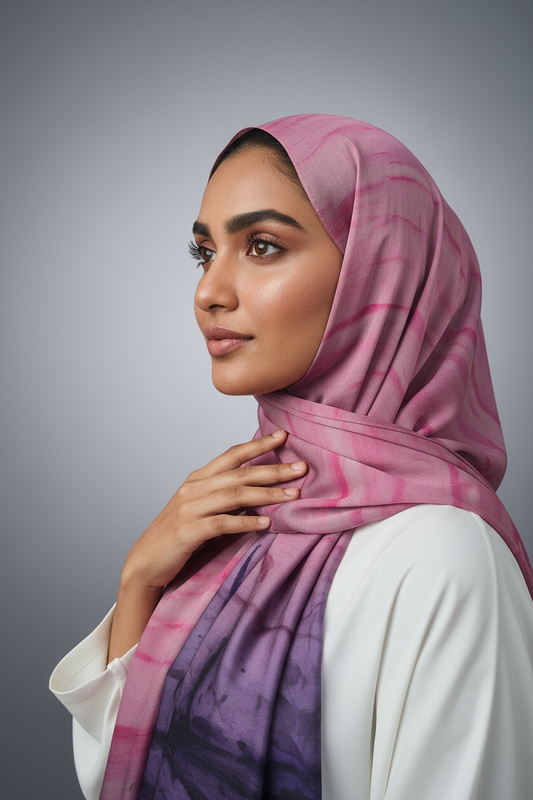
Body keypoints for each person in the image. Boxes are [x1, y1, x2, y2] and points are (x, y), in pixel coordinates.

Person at [50, 115, 533, 800]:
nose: (208, 292)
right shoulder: (242, 511)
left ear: (379, 272)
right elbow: (126, 776)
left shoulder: (445, 559)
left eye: (263, 246)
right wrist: (139, 587)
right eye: (203, 252)